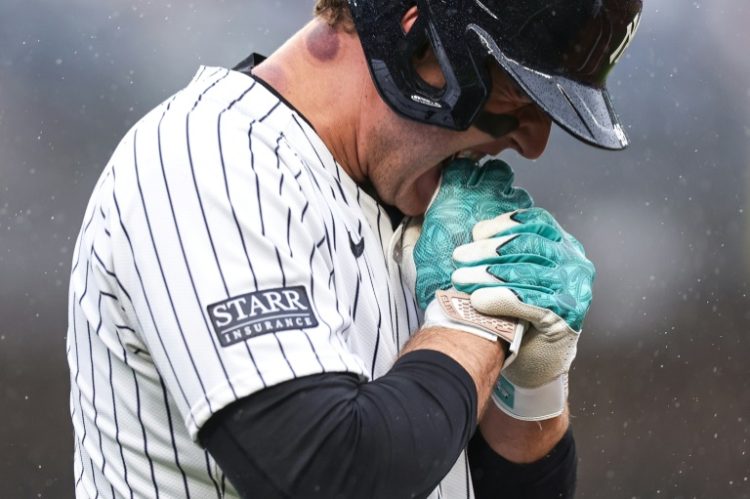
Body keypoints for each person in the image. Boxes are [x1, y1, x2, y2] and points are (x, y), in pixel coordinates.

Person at [66, 0, 642, 497]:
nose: (533, 142)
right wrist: (474, 322)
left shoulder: (411, 201)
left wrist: (532, 387)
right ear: (416, 36)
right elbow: (327, 473)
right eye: (517, 97)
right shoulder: (205, 157)